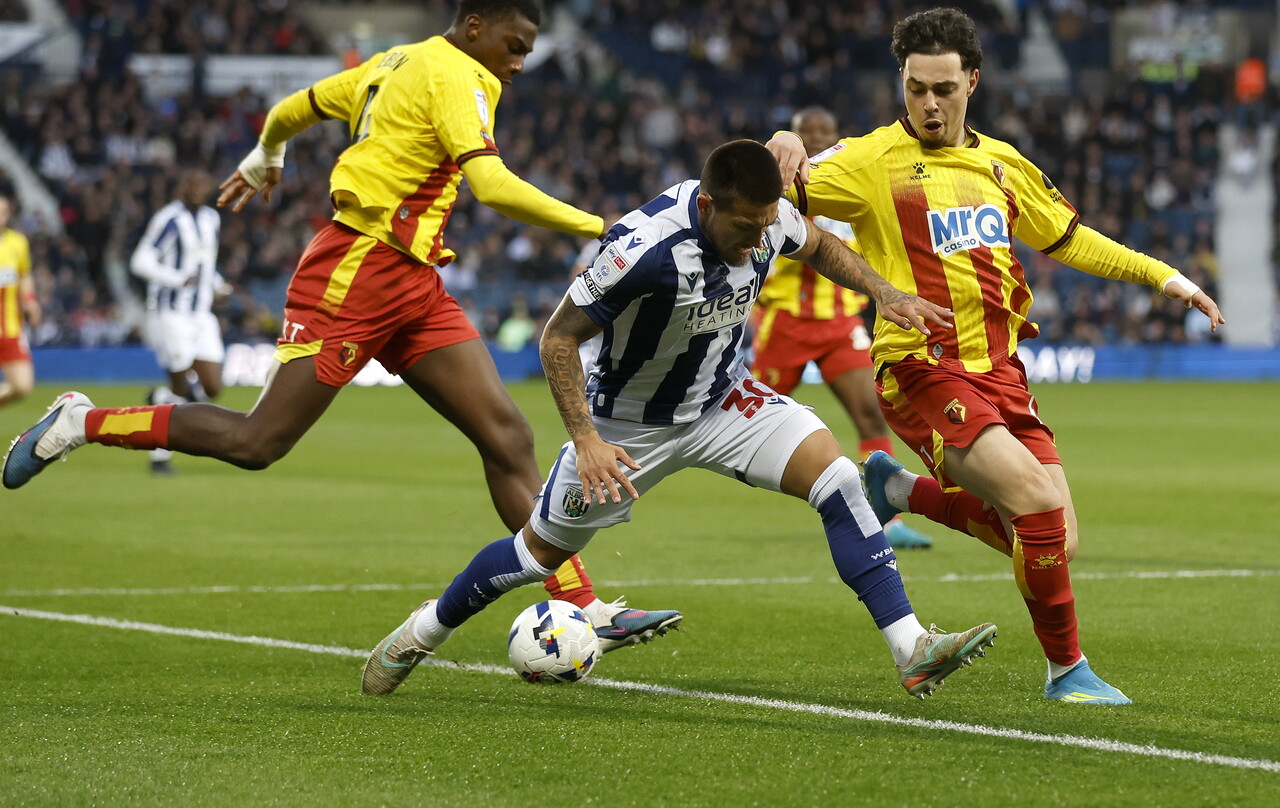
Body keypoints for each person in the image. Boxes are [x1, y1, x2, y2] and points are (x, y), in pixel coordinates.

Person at [3, 0, 678, 652]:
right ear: (475, 27)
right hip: (355, 272)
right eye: (514, 46)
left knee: (507, 438)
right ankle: (81, 421)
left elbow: (294, 107)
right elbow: (492, 185)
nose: (519, 63)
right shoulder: (461, 75)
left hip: (412, 282)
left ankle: (583, 605)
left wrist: (267, 152)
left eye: (526, 52)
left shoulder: (390, 62)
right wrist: (601, 227)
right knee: (257, 442)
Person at [360, 140, 998, 698]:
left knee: (837, 480)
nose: (756, 243)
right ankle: (420, 633)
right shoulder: (642, 248)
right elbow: (557, 339)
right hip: (626, 427)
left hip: (724, 400)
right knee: (534, 555)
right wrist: (585, 441)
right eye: (744, 228)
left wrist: (884, 293)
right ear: (706, 206)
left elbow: (820, 245)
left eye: (765, 227)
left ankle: (912, 648)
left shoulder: (766, 218)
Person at [781, 7, 1225, 704]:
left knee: (1057, 540)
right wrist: (779, 139)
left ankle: (899, 492)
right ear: (902, 83)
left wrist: (1164, 276)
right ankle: (1067, 672)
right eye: (915, 88)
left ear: (972, 83)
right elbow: (771, 186)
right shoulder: (869, 161)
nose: (928, 104)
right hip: (920, 370)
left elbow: (1071, 239)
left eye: (943, 89)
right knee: (1038, 510)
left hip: (1003, 374)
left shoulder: (1001, 163)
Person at [752, 107, 932, 549]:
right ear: (793, 137)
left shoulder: (850, 184)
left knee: (870, 411)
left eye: (824, 132)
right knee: (746, 418)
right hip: (786, 323)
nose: (815, 137)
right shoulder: (776, 191)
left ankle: (883, 520)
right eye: (806, 132)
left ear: (836, 135)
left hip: (837, 323)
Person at [129, 169, 229, 474]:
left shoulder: (212, 218)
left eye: (203, 184)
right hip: (171, 312)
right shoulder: (169, 219)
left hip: (201, 313)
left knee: (212, 387)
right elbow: (141, 261)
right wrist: (175, 279)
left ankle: (159, 399)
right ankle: (159, 457)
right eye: (192, 183)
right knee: (183, 384)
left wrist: (217, 284)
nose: (198, 189)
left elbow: (205, 263)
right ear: (182, 186)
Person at [0, 191, 40, 408]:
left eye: (2, 213)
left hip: (12, 327)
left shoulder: (18, 242)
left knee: (22, 386)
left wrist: (31, 301)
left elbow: (25, 274)